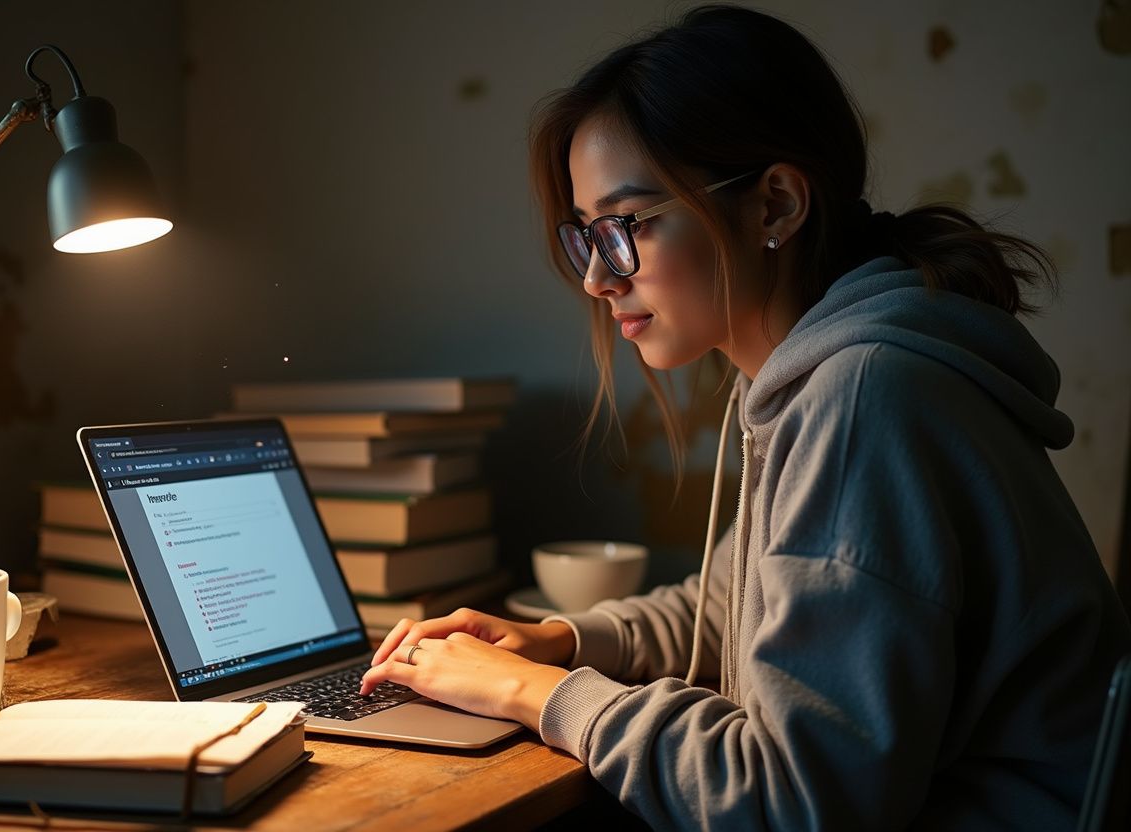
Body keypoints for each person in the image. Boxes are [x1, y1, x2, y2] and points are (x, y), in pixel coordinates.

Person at [358, 4, 1131, 828]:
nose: (597, 279)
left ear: (775, 207)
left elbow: (796, 803)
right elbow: (729, 606)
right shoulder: (815, 379)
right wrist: (561, 640)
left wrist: (536, 693)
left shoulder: (864, 397)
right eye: (587, 237)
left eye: (626, 228)